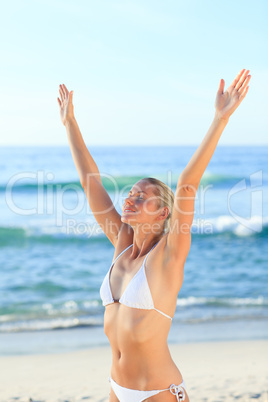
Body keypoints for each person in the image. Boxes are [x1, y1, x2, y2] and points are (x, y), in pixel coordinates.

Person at [57, 69, 250, 401]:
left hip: (158, 392)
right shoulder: (122, 244)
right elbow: (92, 182)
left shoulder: (169, 255)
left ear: (163, 213)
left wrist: (220, 119)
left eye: (141, 197)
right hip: (117, 389)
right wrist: (70, 123)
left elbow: (187, 183)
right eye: (130, 193)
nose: (129, 199)